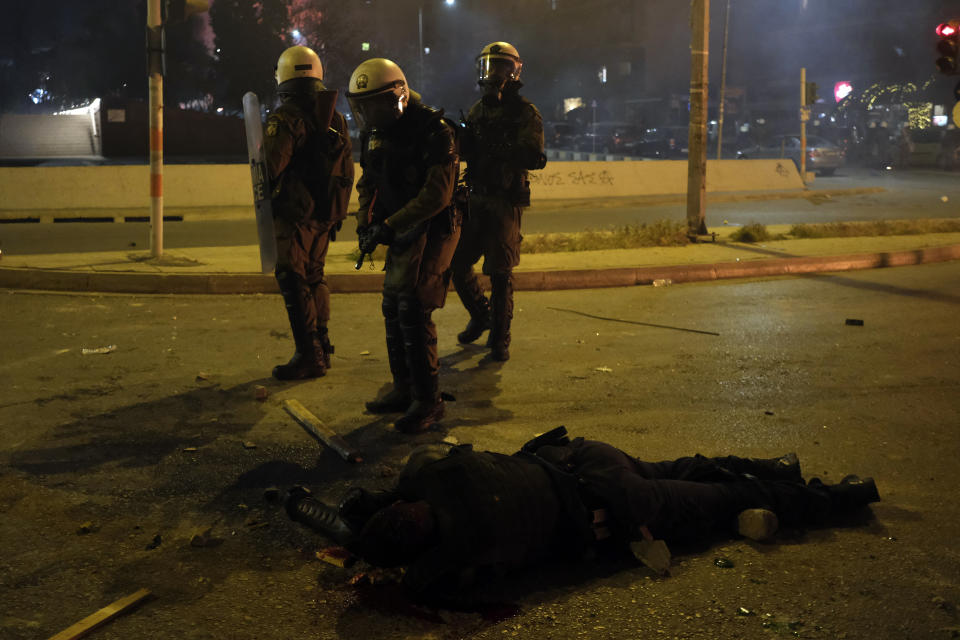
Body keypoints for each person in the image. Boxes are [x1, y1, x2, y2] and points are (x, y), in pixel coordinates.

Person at [285, 427, 880, 598]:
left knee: (724, 501)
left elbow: (413, 576)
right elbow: (376, 503)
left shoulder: (456, 549)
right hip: (583, 459)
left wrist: (367, 554)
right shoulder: (431, 472)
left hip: (615, 509)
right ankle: (778, 464)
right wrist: (366, 512)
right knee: (680, 465)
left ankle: (842, 497)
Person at [346, 58, 462, 433]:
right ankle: (403, 388)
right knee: (392, 307)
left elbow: (437, 196)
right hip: (399, 228)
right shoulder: (378, 133)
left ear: (398, 96)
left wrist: (388, 226)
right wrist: (365, 221)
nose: (369, 114)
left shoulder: (434, 130)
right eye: (362, 106)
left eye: (375, 105)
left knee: (414, 307)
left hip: (434, 226)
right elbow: (369, 182)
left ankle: (429, 402)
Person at [450, 42, 547, 361]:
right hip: (477, 197)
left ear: (513, 71)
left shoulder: (524, 112)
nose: (492, 74)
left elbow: (535, 157)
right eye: (489, 67)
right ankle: (481, 316)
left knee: (500, 273)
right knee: (457, 263)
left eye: (500, 67)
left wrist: (500, 146)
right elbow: (468, 152)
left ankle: (500, 336)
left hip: (504, 202)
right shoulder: (478, 110)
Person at [264, 45, 355, 380]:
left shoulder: (286, 116)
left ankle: (309, 355)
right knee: (315, 276)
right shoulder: (335, 116)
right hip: (325, 213)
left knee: (293, 277)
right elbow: (346, 169)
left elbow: (271, 167)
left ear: (284, 75)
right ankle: (322, 346)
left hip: (295, 215)